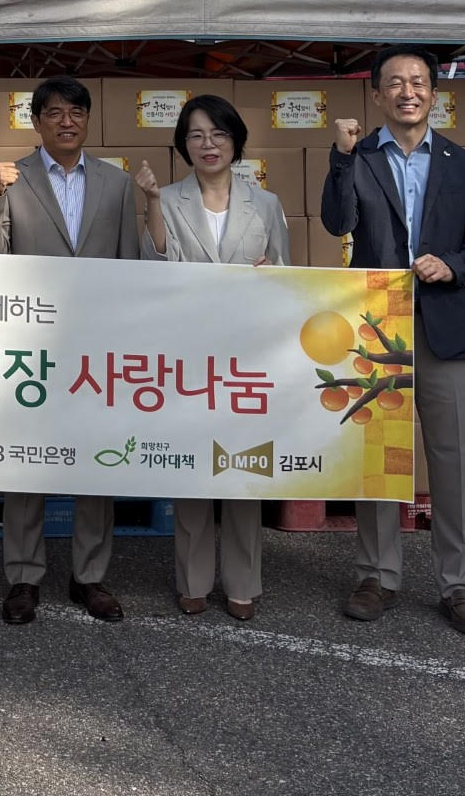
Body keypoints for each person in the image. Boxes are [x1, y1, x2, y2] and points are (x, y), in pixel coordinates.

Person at [320, 46, 465, 636]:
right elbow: (337, 222)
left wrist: (452, 265)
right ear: (376, 94)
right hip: (378, 325)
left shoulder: (462, 163)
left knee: (453, 461)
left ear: (433, 94)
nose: (407, 92)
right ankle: (376, 575)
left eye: (418, 82)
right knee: (379, 459)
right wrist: (342, 158)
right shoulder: (360, 154)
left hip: (444, 325)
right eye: (395, 83)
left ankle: (459, 585)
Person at [0, 75, 147, 626]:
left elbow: (129, 265)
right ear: (36, 121)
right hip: (32, 345)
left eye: (76, 112)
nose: (66, 121)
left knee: (95, 462)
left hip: (97, 346)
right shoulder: (12, 178)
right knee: (27, 464)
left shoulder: (116, 183)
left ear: (88, 120)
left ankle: (89, 576)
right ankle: (23, 576)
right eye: (54, 112)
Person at [133, 92, 291, 622]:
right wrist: (151, 202)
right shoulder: (169, 198)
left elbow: (287, 276)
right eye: (196, 135)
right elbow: (155, 266)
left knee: (245, 469)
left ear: (236, 142)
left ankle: (243, 582)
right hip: (189, 354)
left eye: (218, 134)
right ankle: (193, 579)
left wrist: (272, 277)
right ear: (183, 145)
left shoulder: (265, 203)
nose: (208, 144)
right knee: (194, 468)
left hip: (248, 357)